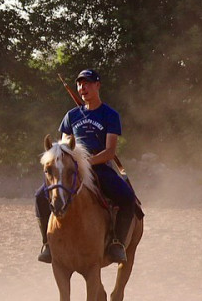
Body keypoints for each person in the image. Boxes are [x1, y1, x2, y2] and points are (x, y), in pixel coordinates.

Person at [36, 69, 137, 265]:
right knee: (40, 196)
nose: (83, 87)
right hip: (72, 171)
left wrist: (86, 163)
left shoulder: (110, 115)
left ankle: (117, 244)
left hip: (99, 168)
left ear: (97, 85)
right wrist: (70, 163)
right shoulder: (71, 116)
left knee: (127, 197)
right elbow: (64, 147)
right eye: (80, 84)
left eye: (88, 83)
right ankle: (47, 244)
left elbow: (109, 152)